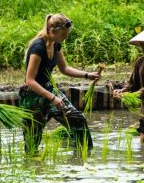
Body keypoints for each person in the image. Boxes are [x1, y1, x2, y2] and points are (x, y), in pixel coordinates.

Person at [20, 13, 100, 154]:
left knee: (78, 121)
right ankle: (32, 169)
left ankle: (84, 156)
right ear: (53, 31)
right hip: (33, 97)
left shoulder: (56, 45)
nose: (65, 38)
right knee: (32, 143)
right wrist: (53, 98)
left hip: (50, 90)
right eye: (63, 35)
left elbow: (64, 68)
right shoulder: (38, 47)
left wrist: (87, 75)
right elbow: (30, 80)